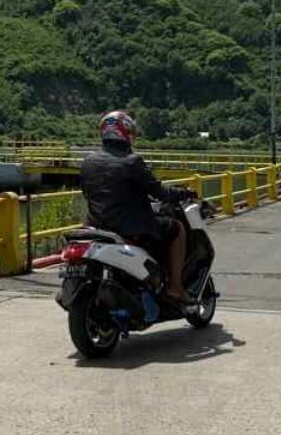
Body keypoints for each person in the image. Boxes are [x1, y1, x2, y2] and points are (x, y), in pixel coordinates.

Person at [80, 110, 195, 302]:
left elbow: (87, 193)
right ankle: (175, 286)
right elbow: (160, 193)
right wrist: (184, 192)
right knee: (177, 229)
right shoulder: (132, 161)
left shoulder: (88, 161)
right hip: (131, 226)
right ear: (126, 133)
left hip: (96, 225)